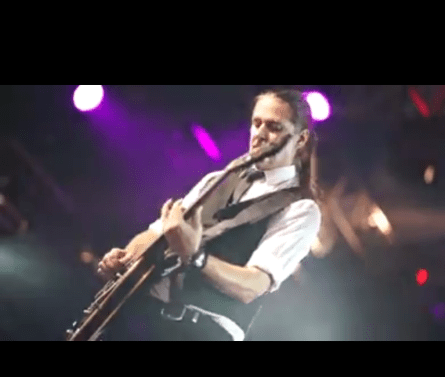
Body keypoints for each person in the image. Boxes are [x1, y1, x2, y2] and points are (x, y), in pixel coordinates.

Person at [97, 89, 322, 341]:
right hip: (143, 318)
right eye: (256, 123)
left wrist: (196, 257)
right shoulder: (217, 180)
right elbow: (158, 232)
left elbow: (252, 286)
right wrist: (125, 258)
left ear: (301, 139)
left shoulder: (301, 209)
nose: (259, 134)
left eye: (273, 127)